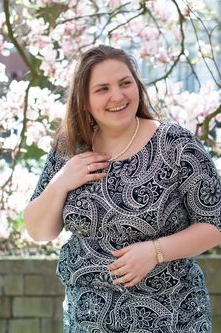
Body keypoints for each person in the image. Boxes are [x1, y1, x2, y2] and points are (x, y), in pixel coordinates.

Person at [24, 44, 221, 333]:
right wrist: (62, 181)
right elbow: (39, 231)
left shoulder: (176, 145)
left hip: (170, 316)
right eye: (102, 89)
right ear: (84, 99)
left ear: (137, 86)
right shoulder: (70, 149)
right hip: (86, 321)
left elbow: (214, 223)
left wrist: (156, 251)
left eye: (125, 83)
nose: (118, 96)